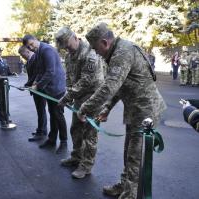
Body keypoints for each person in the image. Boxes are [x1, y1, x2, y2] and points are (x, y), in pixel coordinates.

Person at [77, 22, 167, 199]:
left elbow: (109, 86)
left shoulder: (122, 53)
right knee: (129, 152)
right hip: (136, 109)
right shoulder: (119, 50)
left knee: (134, 157)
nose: (95, 52)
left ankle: (129, 195)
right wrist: (108, 108)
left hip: (145, 111)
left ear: (105, 42)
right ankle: (125, 186)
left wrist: (85, 108)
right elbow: (120, 85)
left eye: (95, 48)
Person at [55, 27, 105, 179]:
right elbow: (70, 77)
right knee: (75, 128)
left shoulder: (90, 53)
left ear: (75, 38)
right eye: (63, 47)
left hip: (93, 98)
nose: (66, 49)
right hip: (78, 98)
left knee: (90, 134)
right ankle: (76, 156)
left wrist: (66, 97)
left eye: (67, 45)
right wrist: (69, 93)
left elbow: (86, 81)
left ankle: (86, 165)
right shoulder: (71, 55)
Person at [22, 34, 68, 154]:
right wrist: (33, 83)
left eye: (31, 44)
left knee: (58, 115)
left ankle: (64, 142)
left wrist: (37, 86)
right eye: (28, 47)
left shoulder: (47, 50)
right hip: (49, 89)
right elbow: (39, 71)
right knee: (52, 114)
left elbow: (50, 72)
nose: (31, 48)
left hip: (57, 89)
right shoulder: (38, 52)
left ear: (36, 40)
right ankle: (52, 140)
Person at [18, 45, 47, 141]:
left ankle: (41, 132)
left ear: (27, 51)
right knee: (40, 111)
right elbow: (31, 76)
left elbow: (36, 75)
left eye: (22, 55)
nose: (22, 57)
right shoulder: (30, 61)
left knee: (41, 111)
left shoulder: (35, 59)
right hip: (35, 89)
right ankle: (42, 130)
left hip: (39, 89)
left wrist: (26, 85)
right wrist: (26, 85)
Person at [0, 46, 16, 127]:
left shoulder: (5, 61)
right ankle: (2, 119)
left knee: (6, 101)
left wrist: (13, 73)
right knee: (0, 102)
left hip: (5, 84)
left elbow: (8, 72)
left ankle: (7, 116)